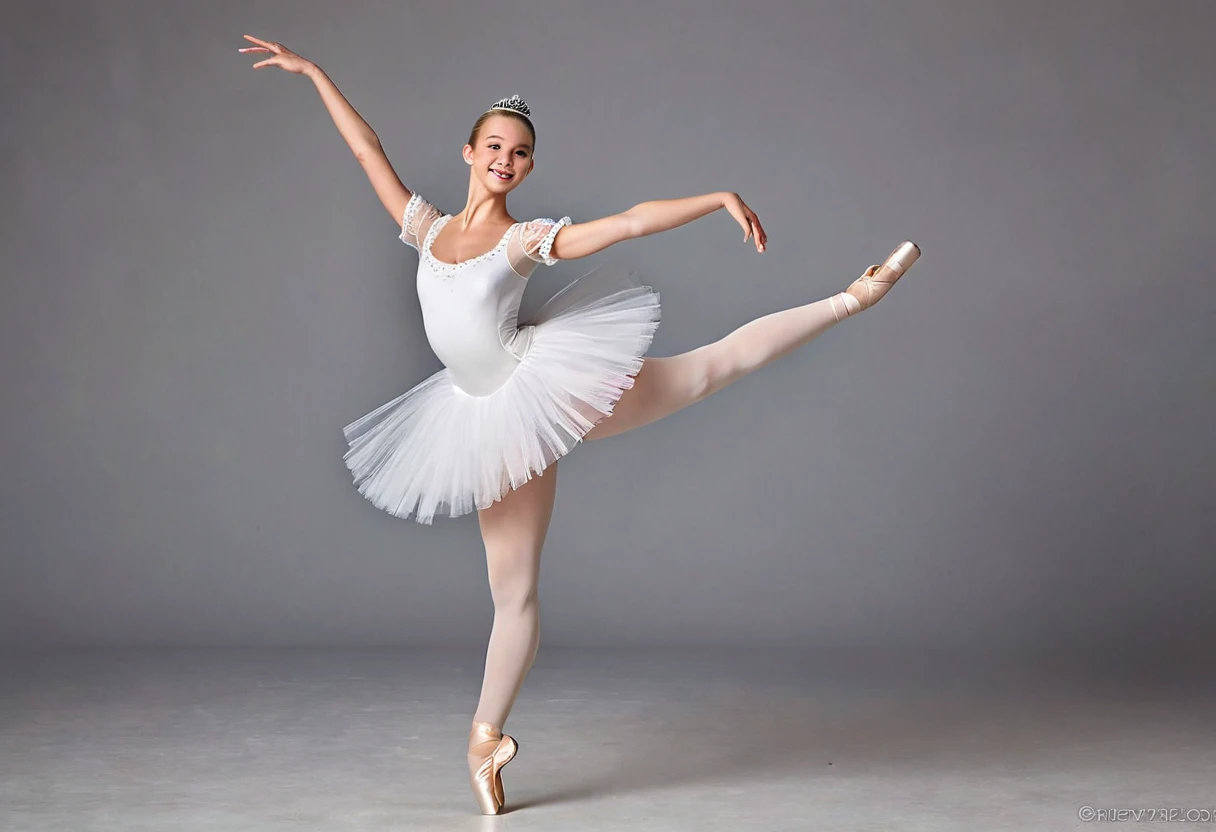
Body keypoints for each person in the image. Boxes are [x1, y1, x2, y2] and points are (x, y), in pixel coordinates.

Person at [240, 34, 917, 815]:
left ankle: (852, 297)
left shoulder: (525, 240)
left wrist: (717, 198)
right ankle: (485, 741)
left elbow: (627, 223)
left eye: (521, 152)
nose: (506, 159)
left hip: (547, 387)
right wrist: (314, 72)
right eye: (494, 145)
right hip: (481, 421)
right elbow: (366, 148)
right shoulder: (424, 227)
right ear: (469, 152)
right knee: (514, 591)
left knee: (708, 368)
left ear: (528, 168)